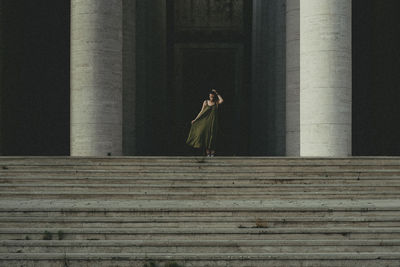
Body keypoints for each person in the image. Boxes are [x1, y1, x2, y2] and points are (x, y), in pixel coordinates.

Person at [186, 89, 224, 157]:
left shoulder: (216, 103)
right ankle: (207, 153)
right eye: (210, 96)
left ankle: (212, 153)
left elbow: (222, 100)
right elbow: (201, 111)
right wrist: (195, 119)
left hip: (213, 122)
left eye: (212, 96)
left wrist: (217, 93)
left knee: (212, 136)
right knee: (205, 135)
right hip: (205, 122)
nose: (211, 98)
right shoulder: (206, 102)